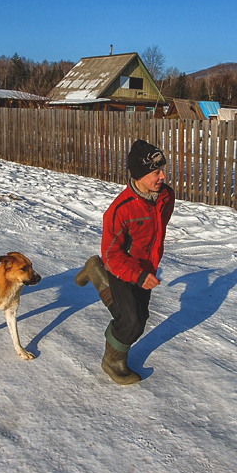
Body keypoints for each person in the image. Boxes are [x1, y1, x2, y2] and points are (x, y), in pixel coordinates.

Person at [75, 139, 174, 385]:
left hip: (146, 267)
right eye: (155, 172)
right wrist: (137, 275)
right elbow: (111, 254)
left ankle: (95, 273)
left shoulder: (165, 197)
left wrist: (147, 267)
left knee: (138, 314)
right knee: (132, 322)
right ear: (139, 175)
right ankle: (113, 362)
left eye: (163, 169)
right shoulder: (120, 210)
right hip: (123, 268)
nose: (162, 176)